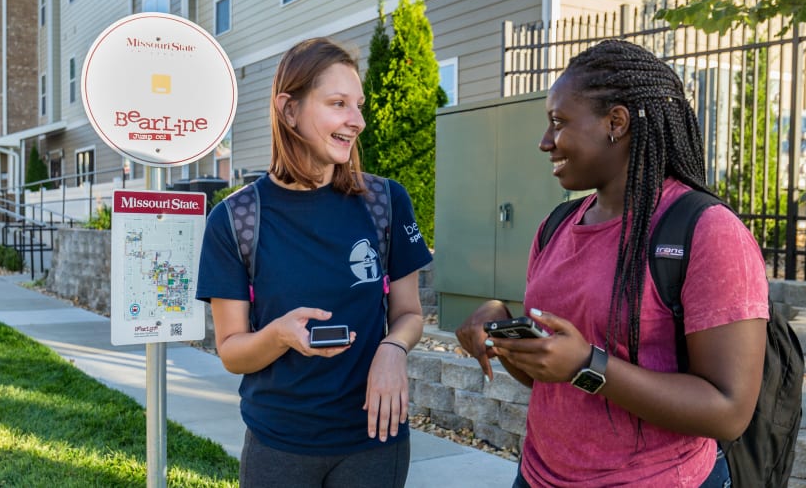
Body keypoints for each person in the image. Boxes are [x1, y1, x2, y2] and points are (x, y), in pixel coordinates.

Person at [455, 39, 769, 487]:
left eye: (559, 122)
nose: (545, 142)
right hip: (538, 476)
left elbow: (729, 411)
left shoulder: (706, 231)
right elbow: (552, 380)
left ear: (615, 123)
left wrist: (588, 363)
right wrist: (504, 336)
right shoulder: (556, 226)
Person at [195, 37, 432, 488]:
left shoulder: (386, 201)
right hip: (279, 446)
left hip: (375, 442)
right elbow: (231, 351)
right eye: (338, 103)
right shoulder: (236, 219)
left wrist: (392, 349)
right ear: (289, 111)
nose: (357, 121)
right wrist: (281, 334)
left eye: (358, 105)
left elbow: (409, 314)